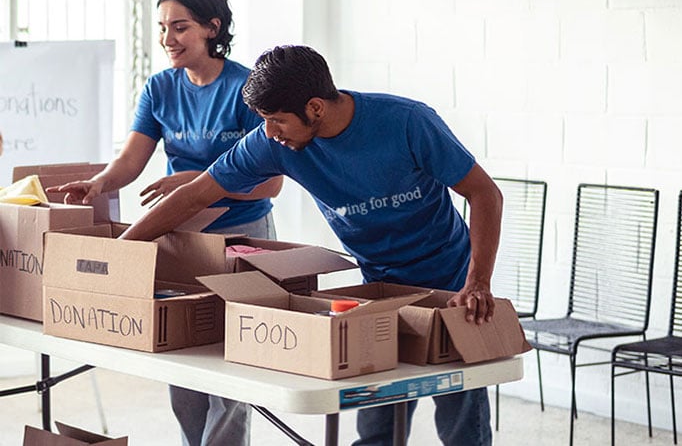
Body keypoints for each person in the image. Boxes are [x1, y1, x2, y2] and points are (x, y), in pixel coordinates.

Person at [119, 44, 503, 445]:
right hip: (379, 284)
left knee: (461, 420)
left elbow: (485, 194)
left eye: (277, 120)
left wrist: (478, 281)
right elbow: (196, 194)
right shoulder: (274, 143)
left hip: (451, 278)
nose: (270, 131)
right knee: (377, 423)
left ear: (315, 108)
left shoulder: (408, 122)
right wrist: (122, 250)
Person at [48, 0, 282, 445]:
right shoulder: (160, 87)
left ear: (212, 28)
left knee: (231, 365)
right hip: (181, 235)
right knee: (184, 357)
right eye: (162, 28)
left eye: (179, 27)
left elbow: (269, 184)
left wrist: (195, 181)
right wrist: (99, 184)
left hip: (243, 234)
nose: (166, 39)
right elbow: (131, 159)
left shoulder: (246, 89)